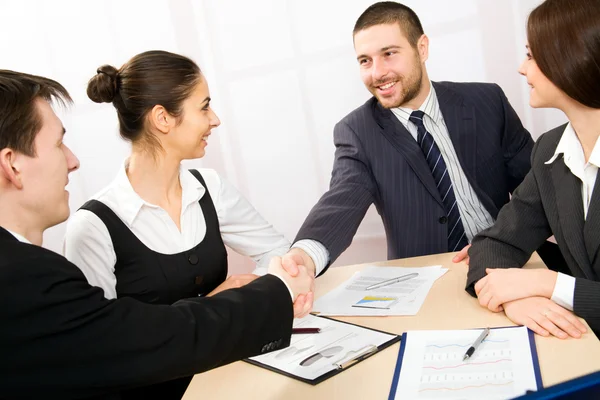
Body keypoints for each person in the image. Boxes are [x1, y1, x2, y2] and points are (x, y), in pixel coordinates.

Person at [0, 69, 311, 399]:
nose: (74, 162)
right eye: (59, 143)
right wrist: (272, 293)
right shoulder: (36, 271)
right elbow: (122, 344)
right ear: (12, 165)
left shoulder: (208, 186)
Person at [278, 1, 553, 302]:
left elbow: (538, 186)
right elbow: (341, 201)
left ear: (421, 48)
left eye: (389, 54)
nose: (377, 73)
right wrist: (304, 257)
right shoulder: (358, 132)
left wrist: (502, 242)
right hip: (426, 286)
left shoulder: (486, 102)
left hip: (506, 267)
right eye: (365, 61)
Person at [466, 0, 598, 339]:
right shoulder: (550, 150)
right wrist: (514, 301)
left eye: (531, 55)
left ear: (571, 56)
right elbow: (495, 243)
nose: (522, 69)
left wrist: (546, 283)